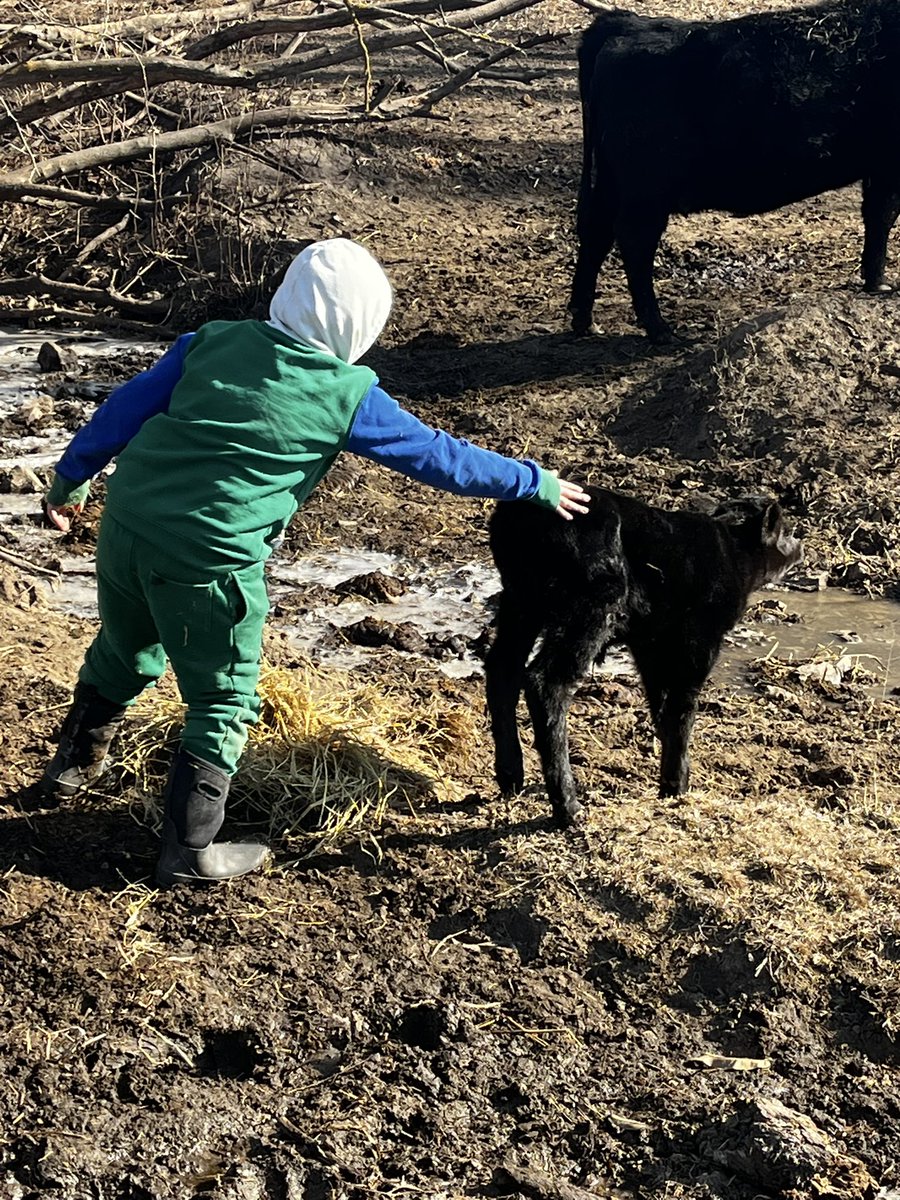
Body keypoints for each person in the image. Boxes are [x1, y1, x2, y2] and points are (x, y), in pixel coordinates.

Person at [42, 238, 590, 887]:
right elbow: (441, 458)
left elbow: (125, 406)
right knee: (224, 697)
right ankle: (189, 851)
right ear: (359, 325)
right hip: (210, 557)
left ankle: (71, 766)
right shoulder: (347, 390)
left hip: (128, 526)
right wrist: (534, 482)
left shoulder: (211, 341)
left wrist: (70, 478)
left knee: (129, 643)